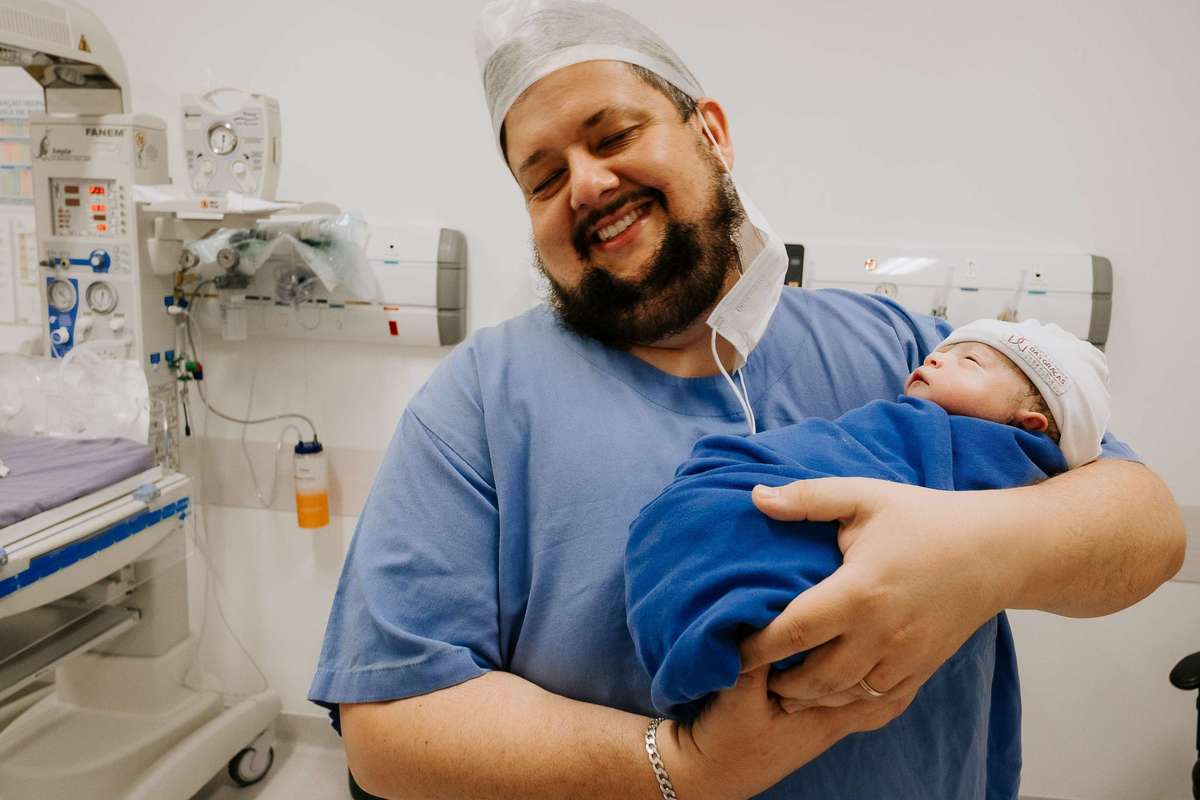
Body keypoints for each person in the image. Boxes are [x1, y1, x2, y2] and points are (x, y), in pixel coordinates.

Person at [309, 2, 1185, 798]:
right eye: (543, 179)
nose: (585, 183)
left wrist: (979, 552)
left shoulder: (905, 351)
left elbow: (1146, 528)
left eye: (613, 134)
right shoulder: (479, 405)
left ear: (712, 134)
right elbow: (388, 731)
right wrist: (679, 767)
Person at [625, 319, 1109, 798]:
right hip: (746, 493)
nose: (934, 357)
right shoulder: (898, 419)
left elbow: (1130, 516)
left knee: (719, 527)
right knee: (706, 512)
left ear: (1026, 425)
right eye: (942, 353)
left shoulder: (1010, 462)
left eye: (970, 362)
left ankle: (734, 613)